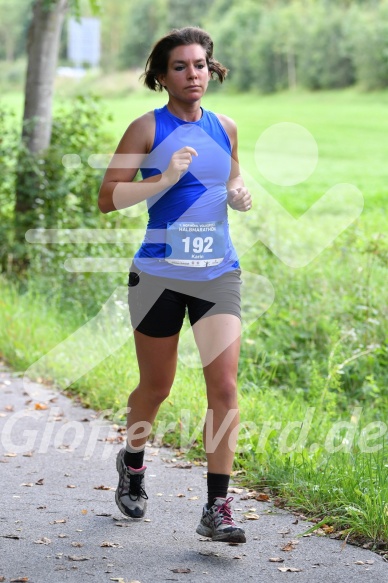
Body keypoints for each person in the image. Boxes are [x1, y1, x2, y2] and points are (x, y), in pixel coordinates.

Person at [98, 26, 252, 544]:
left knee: (225, 389)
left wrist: (238, 194)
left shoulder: (224, 126)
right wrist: (162, 180)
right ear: (162, 77)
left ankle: (217, 507)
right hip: (159, 275)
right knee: (156, 388)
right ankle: (134, 463)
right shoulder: (146, 128)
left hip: (217, 273)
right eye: (181, 67)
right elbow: (108, 198)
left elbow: (230, 178)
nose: (194, 75)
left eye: (201, 65)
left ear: (212, 69)